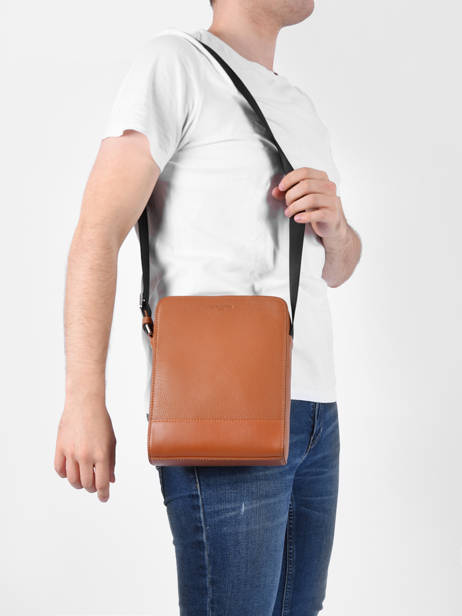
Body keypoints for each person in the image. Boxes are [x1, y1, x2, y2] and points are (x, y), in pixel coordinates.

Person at [54, 0, 361, 613]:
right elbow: (97, 232)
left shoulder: (299, 104)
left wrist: (338, 228)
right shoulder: (175, 62)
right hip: (221, 405)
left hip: (314, 413)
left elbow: (336, 269)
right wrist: (84, 400)